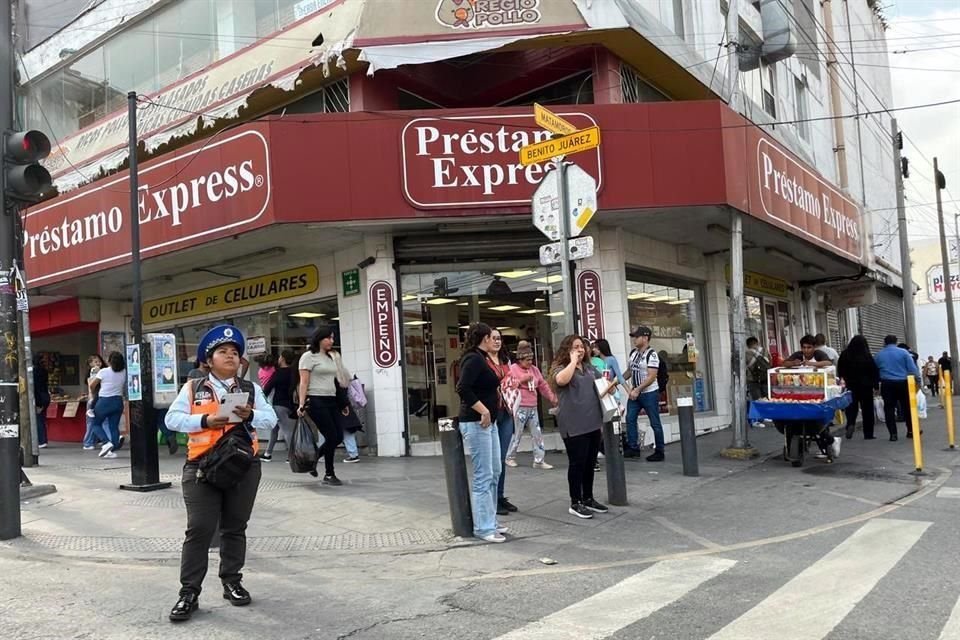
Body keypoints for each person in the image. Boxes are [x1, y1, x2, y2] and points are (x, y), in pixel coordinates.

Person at [165, 324, 277, 622]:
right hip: (202, 467)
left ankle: (232, 581)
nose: (230, 356)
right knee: (200, 529)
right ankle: (189, 593)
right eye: (222, 351)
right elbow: (172, 419)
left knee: (235, 526)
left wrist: (251, 415)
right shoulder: (193, 388)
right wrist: (206, 420)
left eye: (235, 352)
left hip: (243, 466)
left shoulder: (251, 389)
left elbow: (271, 418)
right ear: (209, 359)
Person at [455, 322, 508, 543]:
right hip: (477, 422)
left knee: (495, 470)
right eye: (490, 337)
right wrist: (483, 410)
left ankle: (490, 520)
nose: (494, 340)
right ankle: (484, 527)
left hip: (489, 422)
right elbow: (463, 387)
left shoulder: (482, 358)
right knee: (483, 474)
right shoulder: (473, 359)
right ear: (484, 338)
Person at [550, 335, 611, 520]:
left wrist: (611, 387)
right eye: (575, 347)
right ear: (567, 349)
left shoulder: (590, 368)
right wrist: (573, 361)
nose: (580, 350)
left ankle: (588, 497)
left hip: (592, 422)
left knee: (590, 462)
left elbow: (603, 385)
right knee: (577, 463)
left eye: (582, 346)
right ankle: (575, 501)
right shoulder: (560, 368)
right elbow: (561, 380)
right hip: (573, 424)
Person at [297, 326, 352, 485]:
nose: (331, 341)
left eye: (333, 338)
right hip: (316, 400)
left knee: (338, 437)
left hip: (332, 399)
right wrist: (301, 404)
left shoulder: (332, 357)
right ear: (319, 338)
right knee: (332, 436)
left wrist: (343, 402)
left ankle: (313, 461)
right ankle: (329, 474)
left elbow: (339, 380)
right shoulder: (308, 356)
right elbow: (304, 382)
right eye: (328, 338)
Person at [504, 343, 557, 470]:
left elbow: (543, 385)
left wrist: (552, 398)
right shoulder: (513, 369)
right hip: (520, 406)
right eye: (527, 360)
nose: (530, 362)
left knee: (537, 433)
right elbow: (509, 385)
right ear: (520, 359)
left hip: (533, 406)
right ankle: (509, 457)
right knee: (517, 433)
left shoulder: (535, 370)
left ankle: (539, 460)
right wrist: (522, 379)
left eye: (531, 359)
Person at [624, 326, 665, 461]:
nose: (634, 339)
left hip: (649, 393)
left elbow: (651, 376)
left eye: (637, 337)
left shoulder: (652, 355)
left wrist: (637, 389)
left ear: (645, 338)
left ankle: (659, 450)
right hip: (635, 393)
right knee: (630, 419)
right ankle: (633, 447)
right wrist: (617, 380)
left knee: (655, 422)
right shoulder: (633, 354)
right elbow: (629, 371)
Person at [490, 328, 517, 516]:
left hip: (507, 411)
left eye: (499, 338)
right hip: (491, 412)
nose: (497, 342)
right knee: (493, 459)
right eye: (493, 338)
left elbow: (513, 380)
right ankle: (492, 498)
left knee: (501, 457)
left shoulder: (506, 360)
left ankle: (500, 496)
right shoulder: (481, 361)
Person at [875, 334, 921, 441]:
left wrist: (876, 386)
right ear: (896, 342)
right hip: (903, 383)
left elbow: (875, 371)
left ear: (884, 342)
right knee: (907, 408)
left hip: (887, 384)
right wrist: (918, 381)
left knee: (889, 408)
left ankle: (893, 434)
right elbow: (912, 369)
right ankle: (910, 431)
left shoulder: (879, 355)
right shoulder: (904, 353)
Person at [837, 335, 880, 440]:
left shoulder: (845, 354)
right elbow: (874, 371)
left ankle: (850, 424)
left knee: (851, 407)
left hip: (850, 385)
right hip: (866, 386)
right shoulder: (867, 356)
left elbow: (840, 369)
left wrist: (843, 379)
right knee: (867, 410)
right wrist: (876, 386)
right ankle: (868, 433)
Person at [262, 350, 297, 462]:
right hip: (290, 404)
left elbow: (268, 388)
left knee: (287, 431)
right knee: (275, 428)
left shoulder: (279, 373)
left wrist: (262, 401)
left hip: (279, 404)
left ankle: (291, 456)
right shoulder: (294, 372)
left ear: (282, 359)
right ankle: (268, 453)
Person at [90, 351, 127, 459]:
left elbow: (92, 385)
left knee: (95, 424)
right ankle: (112, 449)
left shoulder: (103, 372)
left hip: (104, 401)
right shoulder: (124, 372)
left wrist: (93, 395)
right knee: (114, 426)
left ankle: (106, 443)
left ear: (110, 361)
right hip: (118, 401)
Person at [82, 355, 108, 450]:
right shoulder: (94, 373)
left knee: (101, 421)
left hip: (99, 398)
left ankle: (103, 440)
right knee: (92, 422)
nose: (98, 363)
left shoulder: (104, 372)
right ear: (90, 364)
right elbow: (91, 387)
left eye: (99, 361)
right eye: (95, 362)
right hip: (94, 399)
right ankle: (88, 442)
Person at [745, 337, 770, 402]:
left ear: (747, 345)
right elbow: (770, 362)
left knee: (757, 401)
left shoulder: (747, 353)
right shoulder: (764, 350)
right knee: (767, 399)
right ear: (757, 343)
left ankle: (759, 411)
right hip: (765, 378)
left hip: (753, 380)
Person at [33, 358, 50, 448]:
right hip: (45, 396)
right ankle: (42, 440)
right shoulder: (44, 371)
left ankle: (41, 440)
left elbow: (36, 388)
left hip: (39, 398)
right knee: (41, 419)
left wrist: (38, 404)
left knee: (38, 420)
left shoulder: (34, 373)